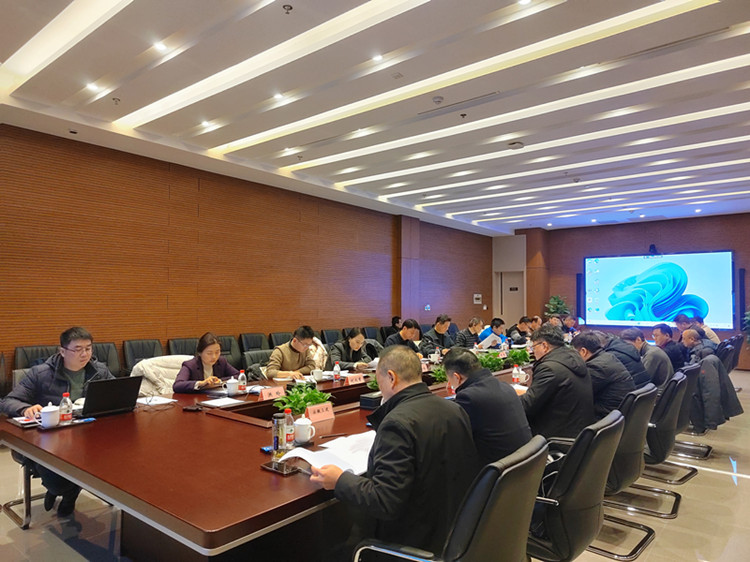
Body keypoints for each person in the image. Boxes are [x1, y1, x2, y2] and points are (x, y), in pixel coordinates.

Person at [309, 346, 479, 558]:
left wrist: (340, 480)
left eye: (378, 380)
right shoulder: (455, 409)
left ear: (391, 377)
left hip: (413, 543)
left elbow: (385, 501)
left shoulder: (397, 423)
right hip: (454, 533)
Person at [0, 327, 114, 517]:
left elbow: (116, 392)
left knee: (114, 461)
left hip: (88, 435)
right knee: (57, 482)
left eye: (88, 348)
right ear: (62, 351)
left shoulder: (99, 370)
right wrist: (25, 409)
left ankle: (68, 492)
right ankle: (67, 493)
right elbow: (7, 401)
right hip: (48, 439)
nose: (84, 354)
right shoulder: (40, 373)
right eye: (78, 349)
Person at [443, 348, 532, 464]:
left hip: (501, 469)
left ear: (456, 377)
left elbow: (455, 438)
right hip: (527, 462)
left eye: (449, 379)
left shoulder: (467, 397)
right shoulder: (505, 386)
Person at [520, 324, 594, 438]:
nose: (533, 352)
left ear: (544, 346)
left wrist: (509, 397)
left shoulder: (549, 368)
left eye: (534, 347)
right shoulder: (573, 357)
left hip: (556, 436)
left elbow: (527, 406)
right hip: (577, 430)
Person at [572, 332, 634, 419]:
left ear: (583, 351)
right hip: (619, 414)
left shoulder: (596, 367)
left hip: (606, 417)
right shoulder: (607, 357)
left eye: (574, 353)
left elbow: (577, 393)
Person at [173, 332, 240, 393]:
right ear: (200, 353)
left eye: (217, 352)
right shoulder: (190, 365)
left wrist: (219, 381)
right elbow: (177, 385)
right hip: (196, 399)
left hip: (216, 397)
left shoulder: (221, 362)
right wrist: (201, 383)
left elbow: (239, 375)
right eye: (209, 353)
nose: (214, 357)